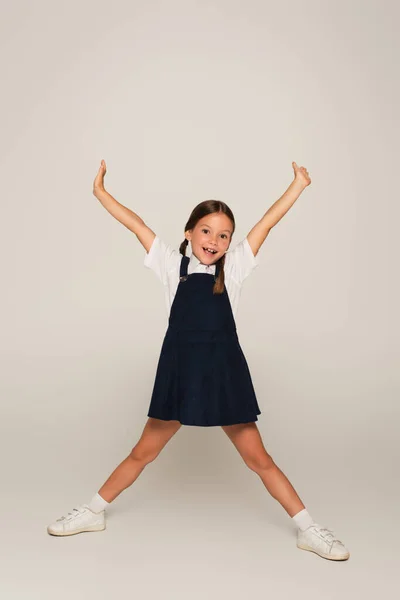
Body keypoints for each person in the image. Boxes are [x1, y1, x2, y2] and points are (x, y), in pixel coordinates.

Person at [47, 159, 350, 561]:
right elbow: (137, 225)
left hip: (224, 376)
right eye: (206, 230)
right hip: (180, 375)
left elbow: (267, 223)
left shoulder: (236, 268)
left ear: (230, 243)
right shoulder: (174, 267)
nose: (214, 239)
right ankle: (92, 512)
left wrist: (298, 185)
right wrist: (101, 192)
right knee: (144, 452)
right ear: (189, 233)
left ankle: (310, 529)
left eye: (224, 235)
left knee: (259, 459)